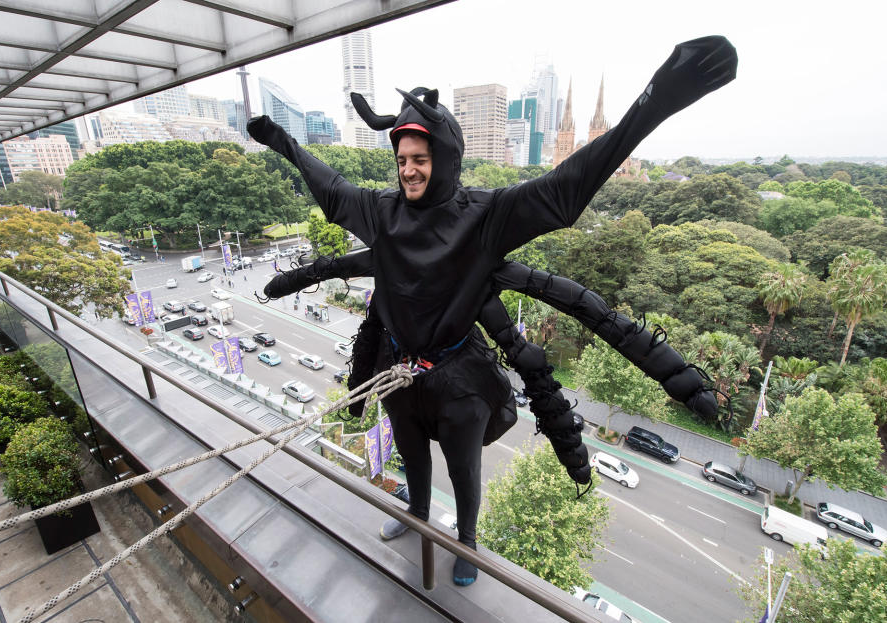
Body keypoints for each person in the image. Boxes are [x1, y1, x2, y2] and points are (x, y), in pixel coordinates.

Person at [248, 36, 736, 586]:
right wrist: (285, 144)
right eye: (402, 160)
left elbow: (564, 190)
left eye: (420, 159)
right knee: (411, 452)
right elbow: (333, 192)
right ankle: (416, 512)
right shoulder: (379, 210)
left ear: (444, 159)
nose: (408, 170)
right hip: (398, 369)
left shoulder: (485, 215)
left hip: (460, 376)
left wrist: (657, 99)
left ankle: (467, 541)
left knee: (462, 468)